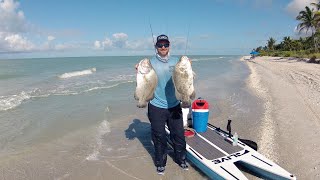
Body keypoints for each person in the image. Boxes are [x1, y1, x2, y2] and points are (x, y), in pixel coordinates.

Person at [135, 34, 189, 175]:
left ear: (169, 45)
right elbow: (143, 77)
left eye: (165, 44)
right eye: (160, 45)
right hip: (156, 105)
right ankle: (160, 162)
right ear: (156, 47)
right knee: (159, 136)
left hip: (174, 104)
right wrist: (139, 68)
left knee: (178, 135)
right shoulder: (150, 62)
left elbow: (185, 77)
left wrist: (188, 66)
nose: (163, 47)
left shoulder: (177, 61)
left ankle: (181, 159)